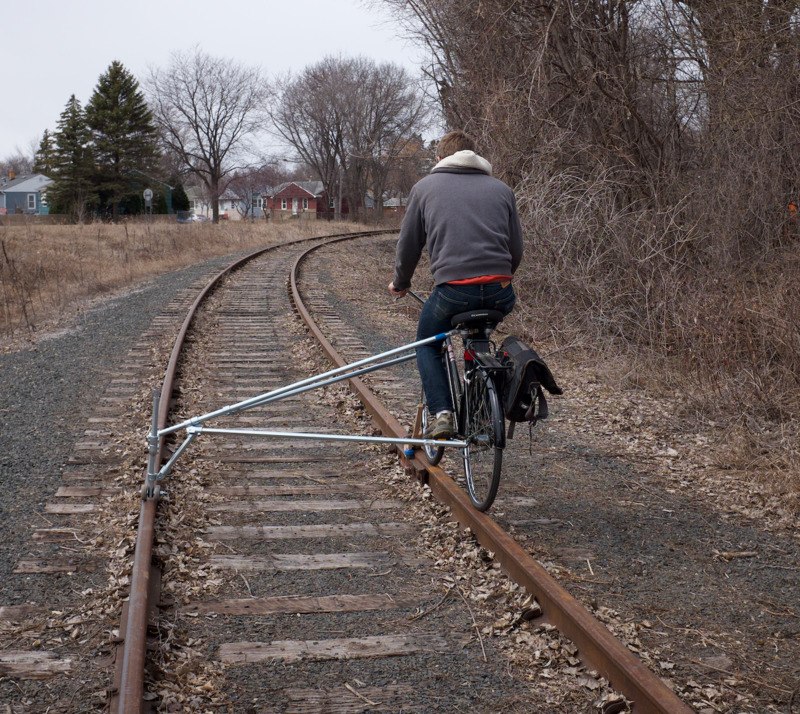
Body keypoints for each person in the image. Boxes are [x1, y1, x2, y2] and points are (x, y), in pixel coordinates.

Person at [388, 130, 524, 439]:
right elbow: (516, 250)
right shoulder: (502, 190)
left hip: (453, 292)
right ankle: (482, 408)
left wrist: (402, 282)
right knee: (478, 332)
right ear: (475, 157)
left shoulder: (424, 188)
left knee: (427, 342)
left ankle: (443, 413)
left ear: (439, 159)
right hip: (500, 293)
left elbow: (409, 245)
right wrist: (499, 279)